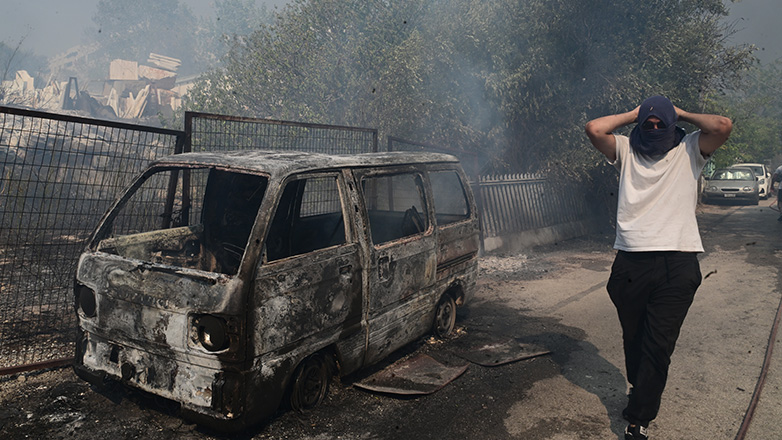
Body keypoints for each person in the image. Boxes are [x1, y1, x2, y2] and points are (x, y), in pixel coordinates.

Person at [585, 96, 732, 440]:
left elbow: (722, 126)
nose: (653, 129)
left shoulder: (690, 149)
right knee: (634, 338)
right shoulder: (626, 150)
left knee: (658, 344)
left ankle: (639, 419)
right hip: (631, 262)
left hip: (677, 263)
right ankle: (641, 390)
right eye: (647, 125)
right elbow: (594, 129)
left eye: (660, 124)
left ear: (672, 125)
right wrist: (637, 114)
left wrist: (678, 112)